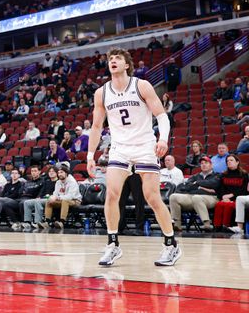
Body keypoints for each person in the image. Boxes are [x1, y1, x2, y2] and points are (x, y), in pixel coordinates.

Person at [87, 48, 181, 267]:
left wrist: (163, 139)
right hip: (119, 148)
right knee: (111, 194)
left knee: (152, 197)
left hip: (145, 146)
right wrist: (91, 155)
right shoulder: (102, 93)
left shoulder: (141, 85)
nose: (113, 61)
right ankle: (112, 244)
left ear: (127, 64)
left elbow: (161, 115)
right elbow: (96, 126)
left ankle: (171, 244)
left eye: (118, 58)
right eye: (110, 59)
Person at [169, 156, 220, 232]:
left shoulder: (217, 175)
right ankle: (176, 225)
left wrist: (198, 183)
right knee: (173, 197)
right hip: (193, 196)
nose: (203, 165)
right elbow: (187, 186)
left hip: (211, 197)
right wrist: (203, 188)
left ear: (211, 165)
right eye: (202, 163)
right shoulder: (196, 176)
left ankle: (207, 224)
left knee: (197, 197)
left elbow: (213, 184)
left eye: (206, 163)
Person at [213, 154, 248, 230]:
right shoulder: (223, 175)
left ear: (237, 162)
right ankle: (217, 227)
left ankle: (226, 226)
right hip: (225, 198)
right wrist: (222, 196)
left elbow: (244, 190)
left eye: (231, 160)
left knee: (229, 206)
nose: (229, 162)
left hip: (237, 199)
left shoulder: (244, 175)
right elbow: (219, 188)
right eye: (227, 161)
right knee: (219, 204)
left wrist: (232, 196)